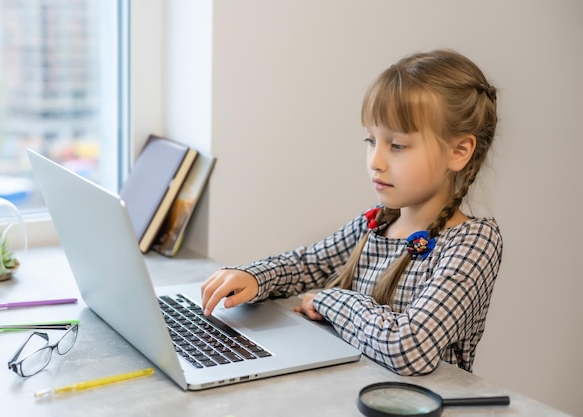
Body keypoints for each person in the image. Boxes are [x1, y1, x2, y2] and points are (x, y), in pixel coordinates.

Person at [201, 49, 503, 376]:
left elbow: (410, 348)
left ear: (458, 152)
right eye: (371, 140)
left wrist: (330, 301)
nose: (375, 160)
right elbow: (309, 264)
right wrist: (254, 276)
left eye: (397, 145)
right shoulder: (378, 222)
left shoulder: (473, 243)